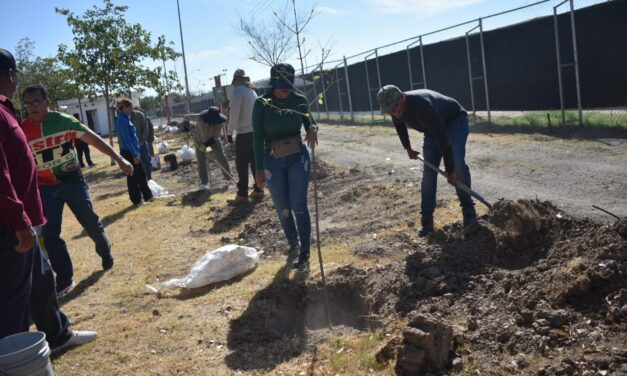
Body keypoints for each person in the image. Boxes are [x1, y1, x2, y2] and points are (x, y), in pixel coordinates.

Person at [0, 48, 96, 352]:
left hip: (26, 221)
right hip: (12, 226)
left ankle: (57, 335)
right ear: (11, 76)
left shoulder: (5, 110)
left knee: (41, 281)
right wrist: (19, 221)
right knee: (14, 297)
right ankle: (18, 357)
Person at [21, 85, 134, 295]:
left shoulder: (64, 121)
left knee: (90, 223)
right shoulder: (22, 129)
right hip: (45, 188)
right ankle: (64, 278)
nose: (32, 107)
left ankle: (105, 253)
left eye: (36, 102)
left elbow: (94, 139)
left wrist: (119, 159)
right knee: (50, 234)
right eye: (27, 103)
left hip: (72, 182)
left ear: (47, 101)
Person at [377, 85, 477, 237]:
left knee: (457, 165)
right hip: (432, 130)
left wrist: (450, 171)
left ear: (402, 96)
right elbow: (400, 126)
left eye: (395, 108)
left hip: (454, 121)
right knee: (428, 175)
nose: (394, 113)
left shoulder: (423, 106)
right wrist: (408, 148)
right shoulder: (394, 108)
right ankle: (427, 222)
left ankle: (469, 215)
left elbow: (443, 138)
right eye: (389, 110)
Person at [252, 63, 318, 272]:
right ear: (273, 84)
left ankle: (305, 251)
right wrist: (259, 168)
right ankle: (293, 242)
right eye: (282, 86)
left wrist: (313, 129)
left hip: (297, 157)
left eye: (289, 86)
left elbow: (310, 124)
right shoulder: (262, 104)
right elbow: (258, 137)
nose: (286, 90)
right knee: (283, 207)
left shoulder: (299, 100)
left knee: (299, 204)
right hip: (272, 160)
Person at [226, 69, 264, 206]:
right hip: (256, 132)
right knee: (255, 162)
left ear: (235, 80)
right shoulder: (252, 91)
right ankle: (259, 189)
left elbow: (234, 114)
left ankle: (242, 195)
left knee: (241, 165)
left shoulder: (238, 91)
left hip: (244, 134)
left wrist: (229, 132)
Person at [115, 98, 154, 205]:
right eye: (130, 107)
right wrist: (135, 154)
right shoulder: (122, 120)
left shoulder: (126, 118)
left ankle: (148, 196)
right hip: (129, 152)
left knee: (141, 174)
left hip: (134, 151)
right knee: (132, 177)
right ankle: (136, 200)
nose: (132, 109)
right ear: (124, 108)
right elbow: (127, 139)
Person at [190, 107, 233, 190]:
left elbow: (217, 134)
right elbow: (201, 136)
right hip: (200, 141)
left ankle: (229, 177)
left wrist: (212, 140)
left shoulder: (219, 121)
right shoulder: (201, 121)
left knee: (221, 156)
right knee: (201, 160)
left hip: (213, 139)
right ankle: (203, 182)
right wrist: (203, 146)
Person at [130, 106, 152, 180]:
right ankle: (141, 180)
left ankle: (149, 177)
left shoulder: (140, 115)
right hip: (131, 146)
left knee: (147, 161)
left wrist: (143, 138)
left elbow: (146, 127)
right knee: (136, 165)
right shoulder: (123, 118)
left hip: (141, 144)